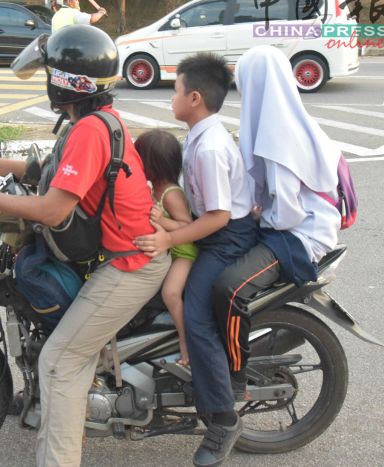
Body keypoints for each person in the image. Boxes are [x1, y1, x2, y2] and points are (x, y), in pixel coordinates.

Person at [0, 24, 170, 467]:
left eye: (49, 71)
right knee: (61, 355)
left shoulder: (90, 129)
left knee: (58, 362)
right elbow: (46, 172)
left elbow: (53, 210)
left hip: (131, 264)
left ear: (66, 81)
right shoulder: (89, 123)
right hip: (123, 255)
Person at [133, 53, 257, 467]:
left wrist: (169, 238)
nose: (172, 98)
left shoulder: (209, 148)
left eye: (176, 91)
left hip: (225, 237)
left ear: (196, 97)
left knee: (198, 315)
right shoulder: (202, 135)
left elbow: (218, 217)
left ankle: (222, 421)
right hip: (212, 230)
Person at [211, 46, 341, 402]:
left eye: (243, 80)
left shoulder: (278, 135)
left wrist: (256, 217)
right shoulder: (285, 120)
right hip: (293, 224)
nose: (239, 88)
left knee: (228, 287)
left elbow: (286, 212)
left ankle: (234, 379)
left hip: (299, 235)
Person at [134, 129, 198, 365]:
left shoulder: (171, 193)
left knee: (170, 293)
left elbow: (186, 225)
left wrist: (161, 220)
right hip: (168, 250)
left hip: (184, 252)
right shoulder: (152, 188)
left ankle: (186, 343)